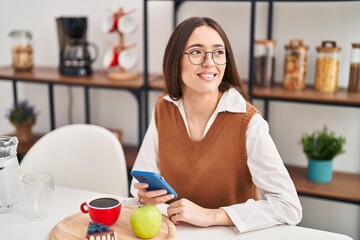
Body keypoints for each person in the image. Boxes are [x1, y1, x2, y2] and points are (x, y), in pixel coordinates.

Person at [130, 16, 302, 233]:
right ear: (176, 60)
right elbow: (140, 179)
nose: (209, 62)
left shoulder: (248, 123)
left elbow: (289, 206)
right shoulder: (163, 109)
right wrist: (144, 194)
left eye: (218, 52)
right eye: (196, 52)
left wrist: (212, 215)